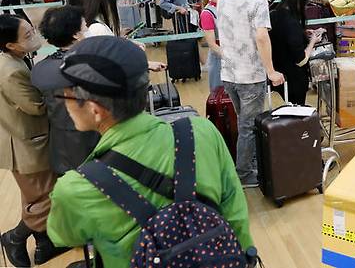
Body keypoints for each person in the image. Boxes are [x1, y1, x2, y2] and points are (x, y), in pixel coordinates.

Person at [30, 36, 254, 267]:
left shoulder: (76, 188)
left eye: (65, 96)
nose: (64, 104)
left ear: (95, 110)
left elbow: (63, 236)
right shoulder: (202, 132)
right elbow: (234, 210)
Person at [0, 15, 62, 267]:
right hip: (26, 143)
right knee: (46, 199)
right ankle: (14, 238)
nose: (34, 35)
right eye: (27, 35)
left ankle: (44, 246)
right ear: (10, 45)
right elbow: (35, 106)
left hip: (23, 137)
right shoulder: (10, 71)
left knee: (35, 196)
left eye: (31, 30)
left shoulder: (13, 59)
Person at [216, 0, 284, 187]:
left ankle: (249, 160)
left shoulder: (222, 1)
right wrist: (271, 71)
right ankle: (244, 173)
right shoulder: (258, 3)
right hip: (251, 75)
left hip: (229, 73)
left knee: (243, 122)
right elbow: (262, 37)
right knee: (248, 126)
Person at [34, 6, 100, 176]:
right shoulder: (90, 65)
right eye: (85, 26)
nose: (87, 30)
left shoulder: (41, 68)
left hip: (60, 144)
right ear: (76, 34)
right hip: (91, 142)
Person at [269, 0, 324, 105]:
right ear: (298, 1)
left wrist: (302, 34)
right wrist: (313, 41)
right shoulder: (292, 24)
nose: (305, 8)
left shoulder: (274, 14)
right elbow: (301, 60)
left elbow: (282, 37)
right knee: (297, 113)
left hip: (279, 72)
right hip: (294, 78)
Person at [199, 0, 229, 91]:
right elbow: (212, 44)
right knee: (221, 93)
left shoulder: (229, 7)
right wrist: (230, 56)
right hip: (219, 58)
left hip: (234, 54)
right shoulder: (207, 13)